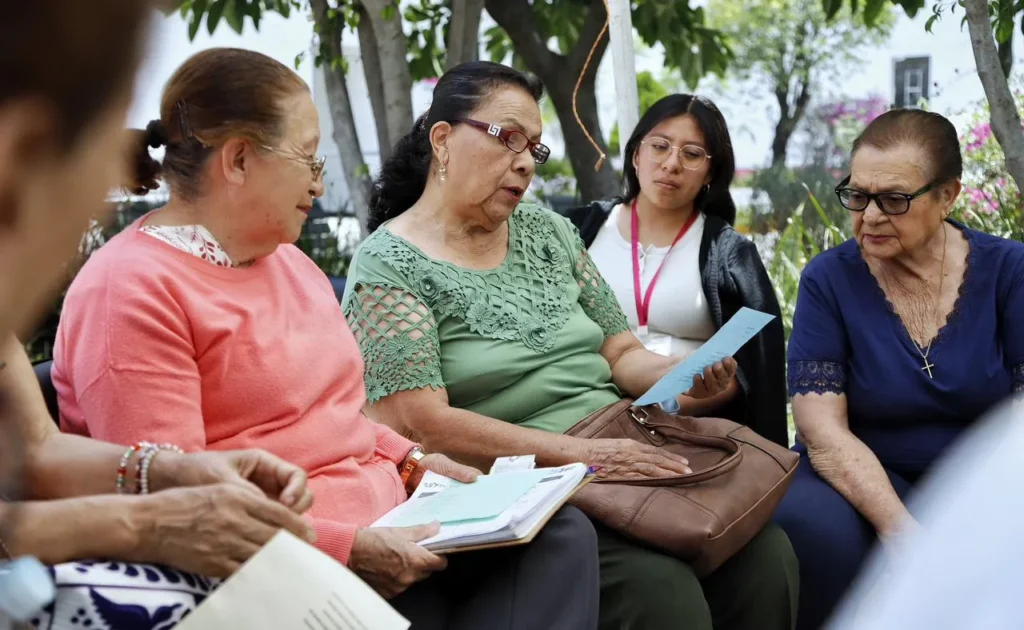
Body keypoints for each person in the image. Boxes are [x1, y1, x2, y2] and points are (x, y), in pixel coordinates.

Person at [52, 48, 600, 630]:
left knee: (559, 535)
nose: (319, 183)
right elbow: (181, 512)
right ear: (238, 160)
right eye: (308, 159)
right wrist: (349, 547)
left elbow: (339, 417)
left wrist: (415, 461)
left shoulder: (290, 263)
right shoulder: (128, 292)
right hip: (285, 575)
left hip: (390, 522)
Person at [343, 60, 798, 630]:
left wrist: (688, 376)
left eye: (534, 148)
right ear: (443, 139)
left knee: (766, 558)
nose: (523, 164)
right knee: (659, 591)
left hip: (620, 450)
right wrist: (583, 457)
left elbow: (621, 354)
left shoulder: (549, 232)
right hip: (514, 485)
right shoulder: (388, 264)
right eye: (508, 138)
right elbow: (419, 424)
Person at [0, 3, 319, 627]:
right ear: (24, 160)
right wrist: (150, 517)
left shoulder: (287, 264)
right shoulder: (128, 284)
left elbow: (37, 454)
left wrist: (170, 470)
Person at [773, 108, 1024, 630]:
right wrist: (904, 533)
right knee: (807, 529)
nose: (868, 216)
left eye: (894, 200)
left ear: (948, 195)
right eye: (857, 195)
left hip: (975, 476)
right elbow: (821, 433)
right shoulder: (829, 279)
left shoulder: (1009, 271)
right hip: (856, 470)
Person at [558, 94, 787, 446]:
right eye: (660, 146)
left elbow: (750, 370)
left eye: (692, 153)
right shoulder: (574, 232)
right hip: (580, 420)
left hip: (689, 429)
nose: (671, 163)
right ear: (636, 154)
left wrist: (668, 407)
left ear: (711, 171)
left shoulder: (729, 253)